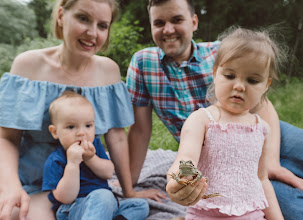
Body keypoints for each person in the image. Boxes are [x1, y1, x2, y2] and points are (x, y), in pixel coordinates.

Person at [126, 0, 303, 219]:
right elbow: (141, 131)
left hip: (261, 129)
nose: (168, 29)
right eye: (159, 23)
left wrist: (272, 162)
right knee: (287, 202)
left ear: (194, 22)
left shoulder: (222, 51)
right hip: (215, 150)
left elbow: (264, 105)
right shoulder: (143, 63)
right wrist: (131, 187)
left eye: (177, 20)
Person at [0, 0, 160, 219]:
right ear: (60, 16)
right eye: (83, 18)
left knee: (118, 206)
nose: (92, 33)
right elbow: (7, 138)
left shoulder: (108, 71)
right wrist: (11, 187)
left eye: (102, 25)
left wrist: (129, 190)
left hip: (87, 187)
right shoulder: (27, 65)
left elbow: (117, 137)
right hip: (36, 185)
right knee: (12, 214)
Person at [167, 26, 284, 219]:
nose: (239, 86)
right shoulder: (202, 119)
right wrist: (177, 180)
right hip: (207, 213)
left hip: (250, 214)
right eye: (229, 76)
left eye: (253, 80)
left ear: (266, 85)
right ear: (215, 73)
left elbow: (261, 179)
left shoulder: (262, 128)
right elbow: (185, 158)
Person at [43, 91, 148, 220]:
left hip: (106, 204)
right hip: (74, 208)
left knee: (140, 205)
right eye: (71, 127)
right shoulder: (56, 160)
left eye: (88, 126)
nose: (81, 133)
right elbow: (65, 198)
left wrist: (91, 159)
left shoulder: (95, 147)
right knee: (103, 196)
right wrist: (73, 164)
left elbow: (108, 172)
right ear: (55, 132)